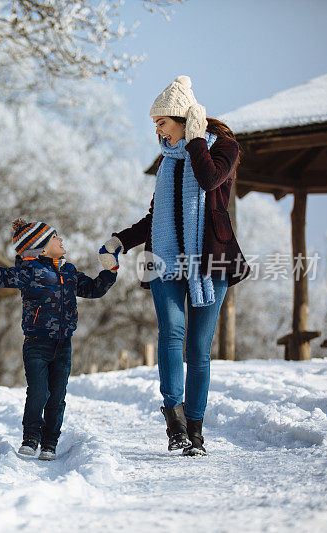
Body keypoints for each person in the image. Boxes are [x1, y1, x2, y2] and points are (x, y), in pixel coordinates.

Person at [104, 75, 250, 456]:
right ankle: (176, 424)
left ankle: (197, 434)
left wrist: (197, 139)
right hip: (165, 263)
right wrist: (120, 240)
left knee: (199, 349)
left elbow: (208, 178)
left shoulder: (223, 149)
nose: (157, 132)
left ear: (182, 119)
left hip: (210, 262)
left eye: (162, 123)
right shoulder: (168, 162)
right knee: (171, 334)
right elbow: (157, 217)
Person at [0, 218, 118, 460]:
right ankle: (30, 438)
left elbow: (93, 289)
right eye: (55, 238)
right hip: (37, 344)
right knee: (38, 392)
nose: (61, 240)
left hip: (63, 344)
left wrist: (109, 272)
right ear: (42, 247)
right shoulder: (30, 272)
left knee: (57, 396)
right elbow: (1, 276)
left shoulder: (69, 271)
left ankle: (50, 443)